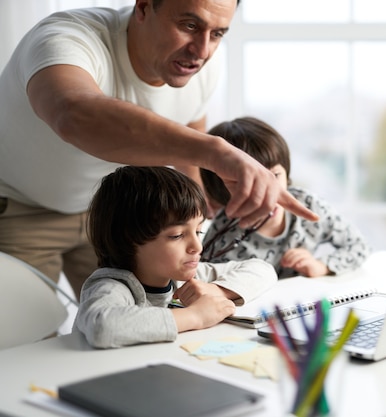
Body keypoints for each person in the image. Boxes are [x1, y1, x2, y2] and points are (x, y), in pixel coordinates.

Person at [0, 0, 317, 300]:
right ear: (143, 6)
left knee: (140, 325)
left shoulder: (199, 64)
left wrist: (202, 211)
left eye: (218, 33)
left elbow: (191, 133)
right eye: (190, 25)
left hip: (114, 213)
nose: (203, 50)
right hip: (21, 209)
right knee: (24, 343)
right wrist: (217, 152)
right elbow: (73, 114)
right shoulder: (66, 39)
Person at [74, 165, 277, 348]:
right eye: (177, 235)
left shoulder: (188, 277)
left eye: (199, 231)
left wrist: (217, 290)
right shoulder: (112, 287)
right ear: (129, 240)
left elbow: (263, 269)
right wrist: (194, 315)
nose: (197, 246)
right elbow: (102, 327)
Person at [200, 116, 372, 278]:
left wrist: (321, 265)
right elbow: (202, 279)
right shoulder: (222, 237)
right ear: (222, 190)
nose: (269, 191)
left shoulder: (309, 206)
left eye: (275, 175)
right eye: (250, 183)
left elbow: (359, 247)